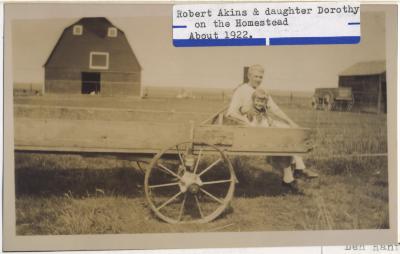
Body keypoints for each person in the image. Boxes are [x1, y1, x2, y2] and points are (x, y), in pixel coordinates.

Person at [226, 64, 318, 193]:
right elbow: (231, 113)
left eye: (261, 77)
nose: (258, 79)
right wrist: (247, 123)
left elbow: (274, 109)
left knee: (289, 131)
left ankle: (297, 170)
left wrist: (291, 122)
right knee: (283, 137)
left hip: (262, 123)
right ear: (249, 76)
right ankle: (294, 174)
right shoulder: (241, 90)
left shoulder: (263, 91)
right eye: (256, 76)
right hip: (250, 129)